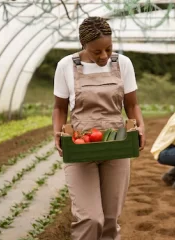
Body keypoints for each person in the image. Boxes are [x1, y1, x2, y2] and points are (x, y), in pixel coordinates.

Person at [52, 17, 145, 240]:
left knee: (111, 220)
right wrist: (57, 132)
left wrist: (141, 126)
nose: (104, 56)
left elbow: (131, 105)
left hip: (117, 145)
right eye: (97, 52)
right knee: (90, 218)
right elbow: (59, 108)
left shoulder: (123, 63)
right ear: (84, 45)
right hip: (81, 145)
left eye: (108, 49)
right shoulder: (66, 66)